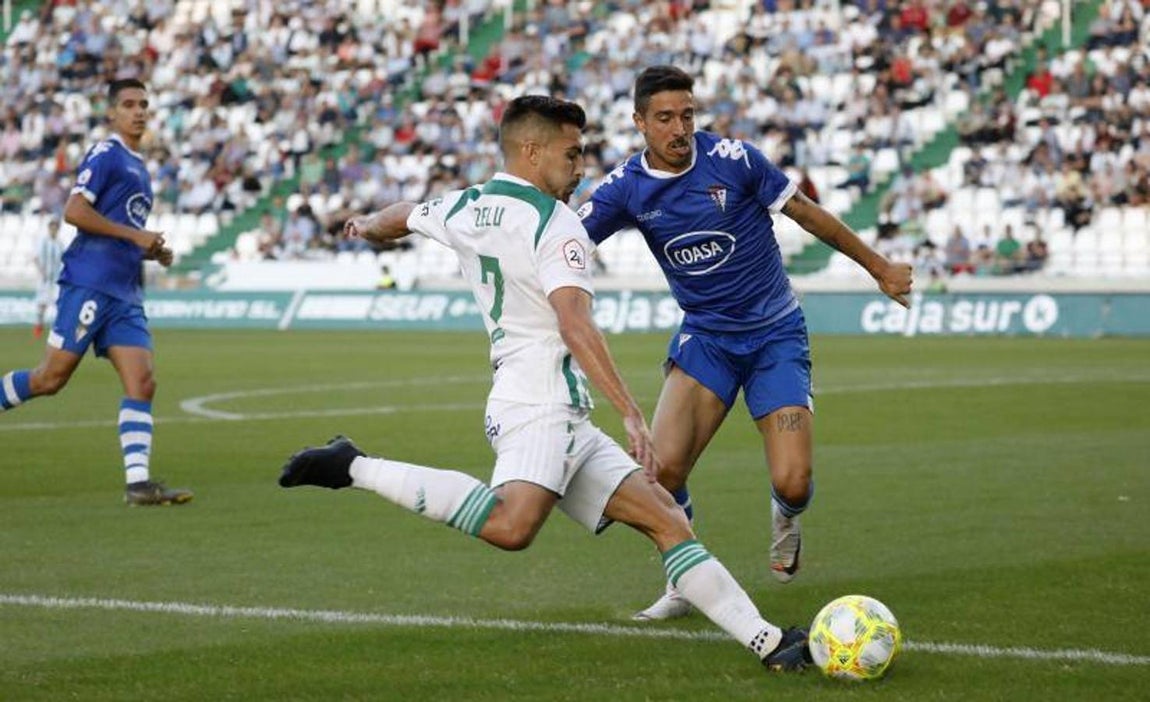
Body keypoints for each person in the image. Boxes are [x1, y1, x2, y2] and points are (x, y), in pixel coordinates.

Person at [278, 95, 812, 672]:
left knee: (667, 519)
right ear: (531, 151)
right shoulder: (556, 224)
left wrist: (366, 226)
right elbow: (574, 323)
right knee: (512, 526)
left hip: (553, 408)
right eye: (571, 153)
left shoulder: (465, 204)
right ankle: (354, 465)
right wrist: (632, 412)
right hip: (539, 405)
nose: (580, 168)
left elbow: (405, 213)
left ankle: (769, 643)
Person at [578, 66, 913, 620]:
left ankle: (786, 518)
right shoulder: (624, 189)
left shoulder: (735, 160)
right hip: (706, 338)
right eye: (665, 118)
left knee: (794, 480)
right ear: (640, 123)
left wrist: (878, 268)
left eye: (687, 114)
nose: (680, 127)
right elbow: (567, 240)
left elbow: (808, 214)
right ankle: (685, 580)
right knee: (658, 476)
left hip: (775, 333)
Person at [0, 79, 192, 507]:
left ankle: (138, 485)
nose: (139, 111)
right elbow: (74, 212)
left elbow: (120, 234)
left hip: (124, 293)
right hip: (89, 282)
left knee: (142, 381)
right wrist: (134, 234)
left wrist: (152, 251)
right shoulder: (106, 155)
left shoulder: (140, 167)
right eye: (128, 104)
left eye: (144, 104)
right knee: (50, 379)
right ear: (112, 113)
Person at [32, 218, 65, 339]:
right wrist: (42, 271)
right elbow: (35, 258)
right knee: (42, 304)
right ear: (49, 228)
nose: (53, 229)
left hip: (56, 280)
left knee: (58, 303)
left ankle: (57, 329)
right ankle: (38, 326)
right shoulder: (43, 242)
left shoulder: (60, 244)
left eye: (56, 227)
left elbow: (63, 260)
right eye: (52, 227)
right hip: (44, 279)